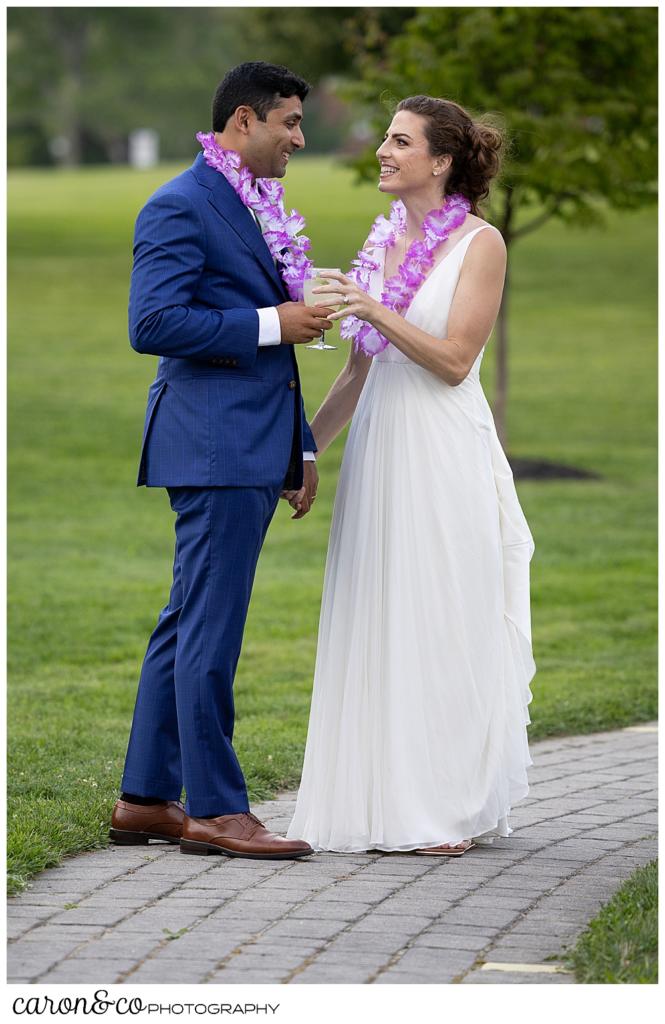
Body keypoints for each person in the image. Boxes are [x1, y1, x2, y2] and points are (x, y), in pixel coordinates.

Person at [286, 96, 536, 856]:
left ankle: (449, 807)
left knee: (442, 613)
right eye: (385, 140)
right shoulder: (383, 237)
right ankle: (380, 799)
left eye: (399, 142)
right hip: (379, 451)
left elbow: (456, 362)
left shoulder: (480, 244)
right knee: (381, 609)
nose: (382, 153)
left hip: (442, 452)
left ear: (442, 160)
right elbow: (359, 372)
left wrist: (373, 307)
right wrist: (303, 452)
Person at [110, 62, 334, 860]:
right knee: (212, 628)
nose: (298, 140)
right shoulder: (179, 204)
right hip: (211, 443)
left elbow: (272, 334)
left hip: (249, 439)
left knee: (185, 621)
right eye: (289, 124)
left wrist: (298, 441)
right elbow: (155, 324)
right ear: (244, 122)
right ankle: (214, 809)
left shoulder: (249, 202)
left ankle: (144, 798)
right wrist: (276, 322)